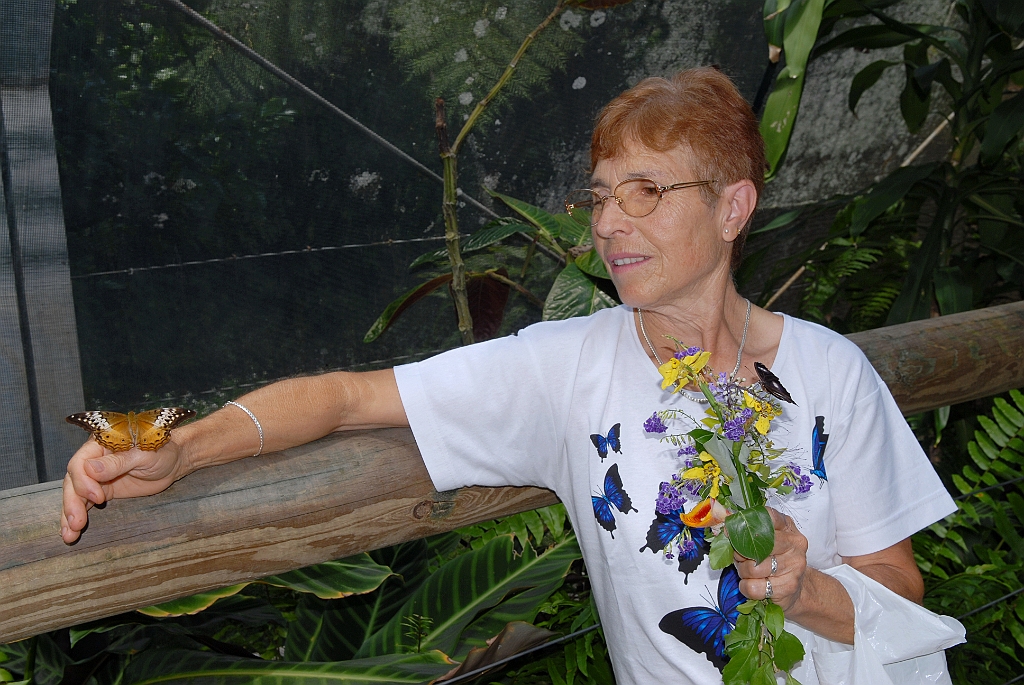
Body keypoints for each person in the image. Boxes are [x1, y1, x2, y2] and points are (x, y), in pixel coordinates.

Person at [61, 68, 958, 684]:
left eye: (647, 190)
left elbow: (899, 586)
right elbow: (345, 397)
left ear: (733, 207)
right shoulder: (567, 368)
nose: (610, 223)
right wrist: (182, 448)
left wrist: (805, 589)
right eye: (601, 195)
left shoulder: (830, 372)